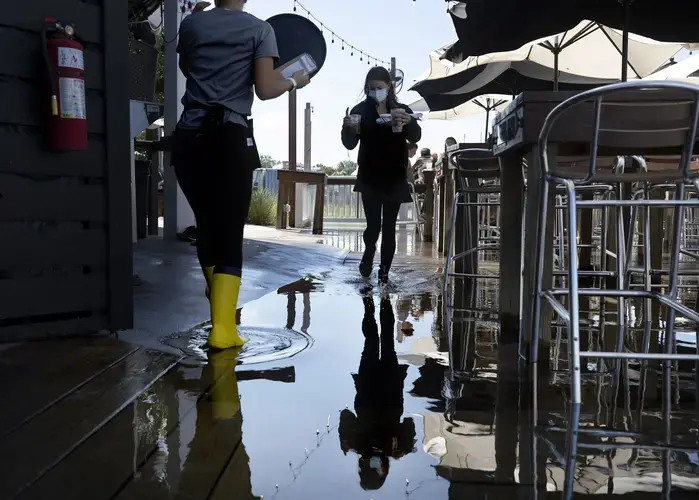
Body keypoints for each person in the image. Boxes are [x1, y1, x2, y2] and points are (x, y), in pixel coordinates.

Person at [171, 0, 311, 349]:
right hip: (230, 139)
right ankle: (223, 329)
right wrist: (293, 81)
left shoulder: (192, 25)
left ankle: (219, 305)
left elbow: (188, 70)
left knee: (206, 226)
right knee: (230, 233)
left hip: (189, 137)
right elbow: (265, 89)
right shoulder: (259, 30)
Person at [341, 67, 422, 284]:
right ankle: (368, 255)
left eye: (379, 87)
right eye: (371, 88)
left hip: (395, 176)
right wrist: (347, 127)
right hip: (370, 176)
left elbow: (416, 135)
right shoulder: (361, 110)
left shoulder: (401, 109)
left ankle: (384, 271)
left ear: (389, 86)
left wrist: (409, 122)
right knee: (374, 225)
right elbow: (349, 143)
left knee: (389, 226)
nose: (375, 91)